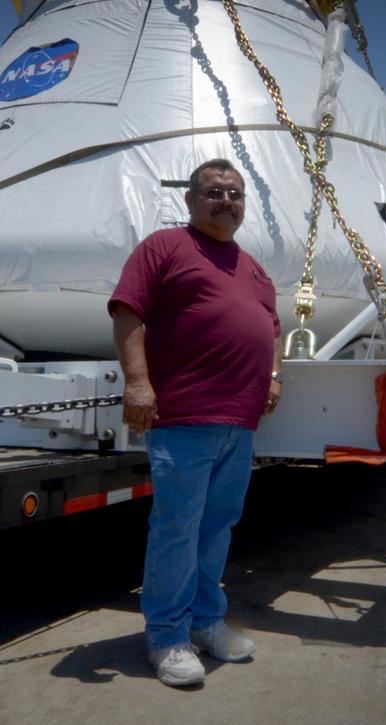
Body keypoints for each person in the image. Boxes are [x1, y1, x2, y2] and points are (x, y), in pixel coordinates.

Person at [108, 158, 283, 687]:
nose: (225, 200)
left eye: (234, 193)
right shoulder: (164, 248)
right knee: (178, 530)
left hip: (240, 422)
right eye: (213, 191)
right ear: (190, 200)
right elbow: (127, 312)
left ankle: (206, 621)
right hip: (184, 417)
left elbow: (271, 326)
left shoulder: (252, 267)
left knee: (216, 528)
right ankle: (166, 636)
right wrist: (138, 383)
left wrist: (273, 374)